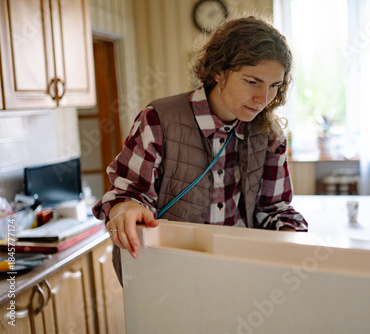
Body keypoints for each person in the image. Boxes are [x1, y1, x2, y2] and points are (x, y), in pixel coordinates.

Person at [93, 16, 308, 283]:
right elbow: (128, 196)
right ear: (219, 72)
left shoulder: (270, 135)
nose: (263, 99)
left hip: (241, 274)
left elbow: (274, 209)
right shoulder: (158, 119)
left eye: (274, 86)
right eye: (252, 82)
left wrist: (291, 237)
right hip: (169, 275)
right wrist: (124, 209)